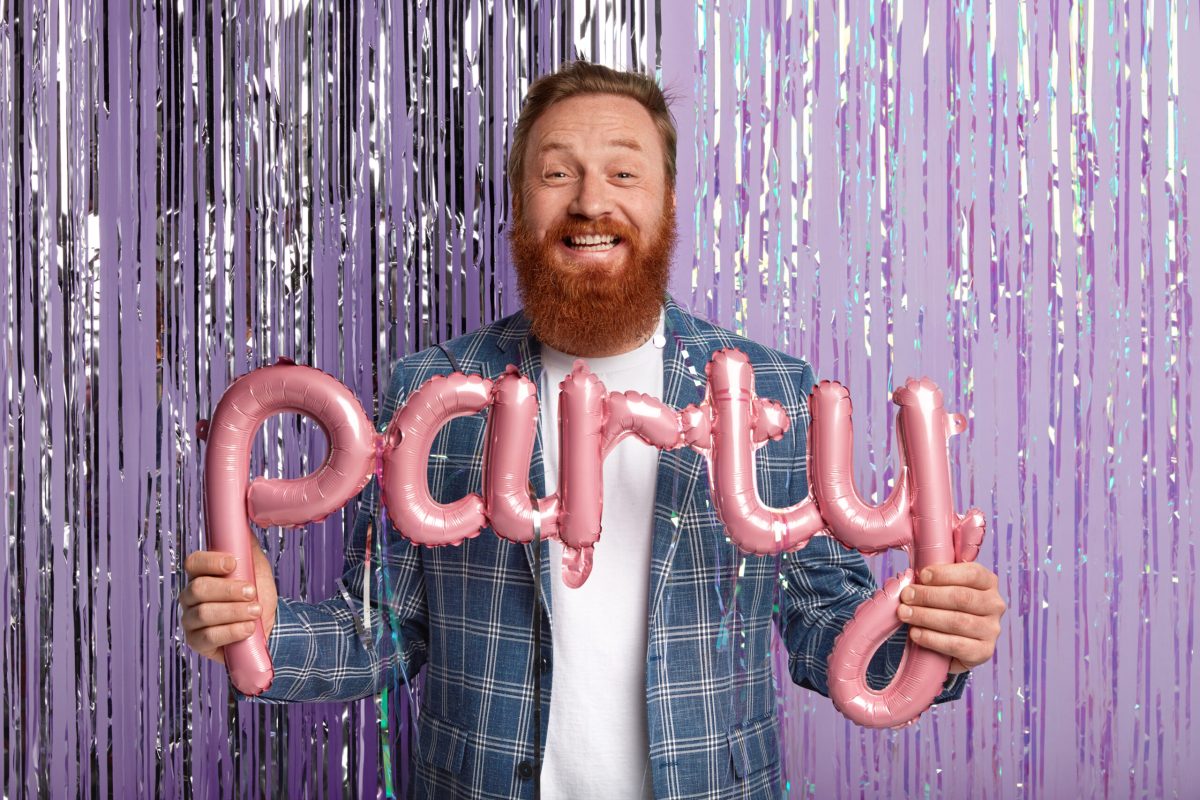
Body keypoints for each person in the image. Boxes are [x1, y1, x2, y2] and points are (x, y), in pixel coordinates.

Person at [180, 62, 1006, 799]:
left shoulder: (773, 393)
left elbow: (827, 626)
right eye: (556, 172)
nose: (589, 201)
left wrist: (937, 645)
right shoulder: (431, 391)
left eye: (621, 170)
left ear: (666, 202)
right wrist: (261, 629)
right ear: (520, 204)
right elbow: (382, 635)